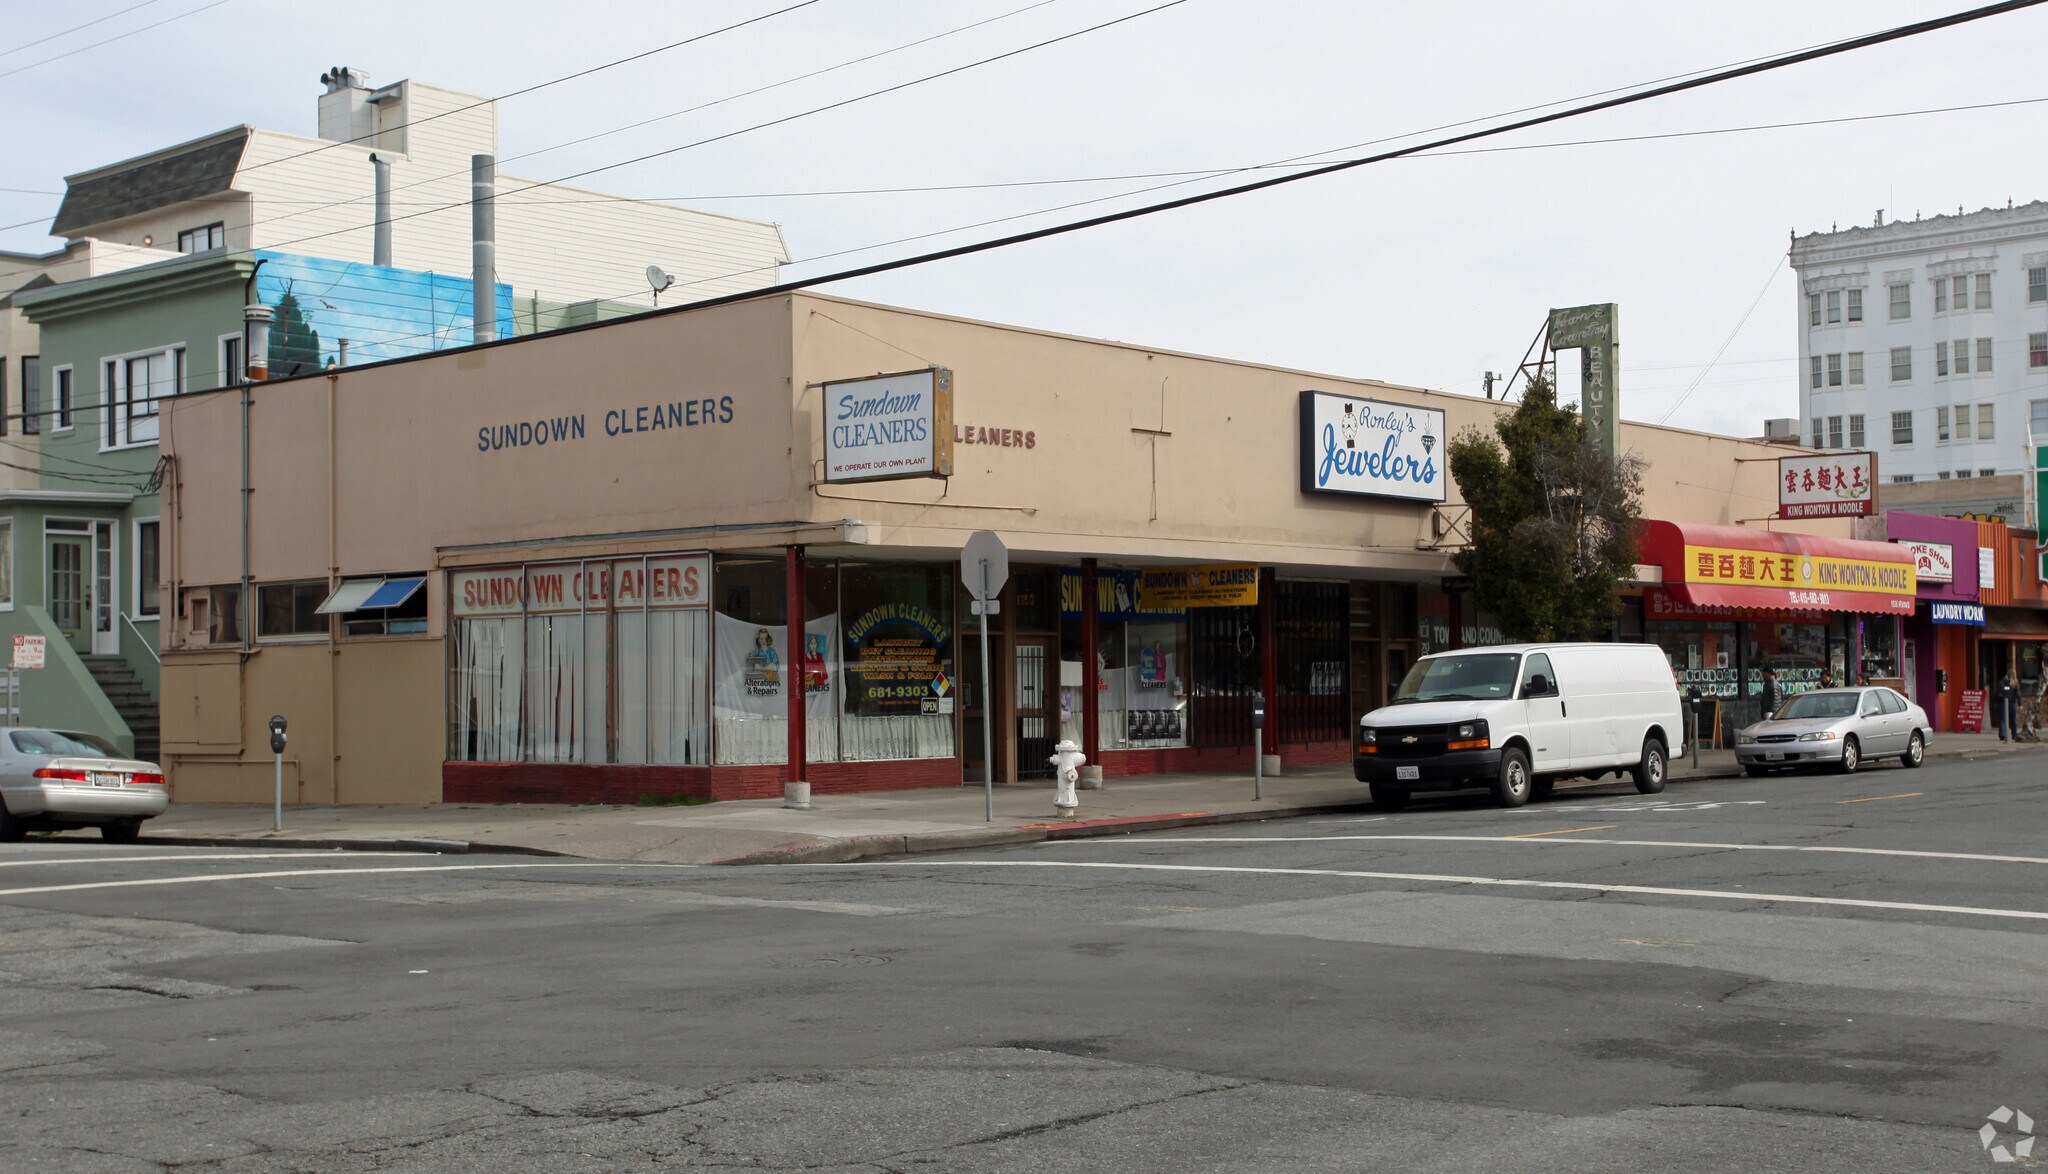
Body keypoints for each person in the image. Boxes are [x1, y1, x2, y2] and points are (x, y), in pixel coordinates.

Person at [1995, 670, 2020, 743]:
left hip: (2003, 702)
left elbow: (1997, 692)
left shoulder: (2002, 682)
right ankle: (2014, 734)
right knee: (2013, 720)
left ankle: (2003, 733)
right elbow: (2018, 694)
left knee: (2003, 719)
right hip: (2012, 703)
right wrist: (2020, 703)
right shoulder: (2015, 683)